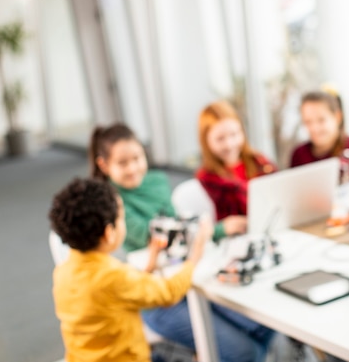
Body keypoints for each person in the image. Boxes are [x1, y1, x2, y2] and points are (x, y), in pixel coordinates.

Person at [89, 123, 275, 362]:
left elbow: (176, 231)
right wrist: (210, 232)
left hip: (187, 280)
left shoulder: (156, 181)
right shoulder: (109, 202)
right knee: (245, 352)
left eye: (137, 158)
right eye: (123, 163)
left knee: (263, 323)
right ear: (103, 165)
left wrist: (204, 235)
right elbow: (161, 236)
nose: (133, 168)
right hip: (155, 294)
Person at [50, 177, 212, 362]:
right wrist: (194, 257)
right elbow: (168, 293)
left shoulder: (63, 272)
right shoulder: (113, 275)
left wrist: (150, 263)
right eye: (121, 216)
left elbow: (119, 293)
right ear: (108, 233)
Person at [196, 100, 277, 222]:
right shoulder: (207, 177)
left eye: (234, 134)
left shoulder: (259, 161)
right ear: (206, 141)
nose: (229, 144)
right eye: (220, 139)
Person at [290, 88, 349, 184]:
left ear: (338, 117)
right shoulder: (298, 155)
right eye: (308, 121)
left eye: (321, 120)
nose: (314, 128)